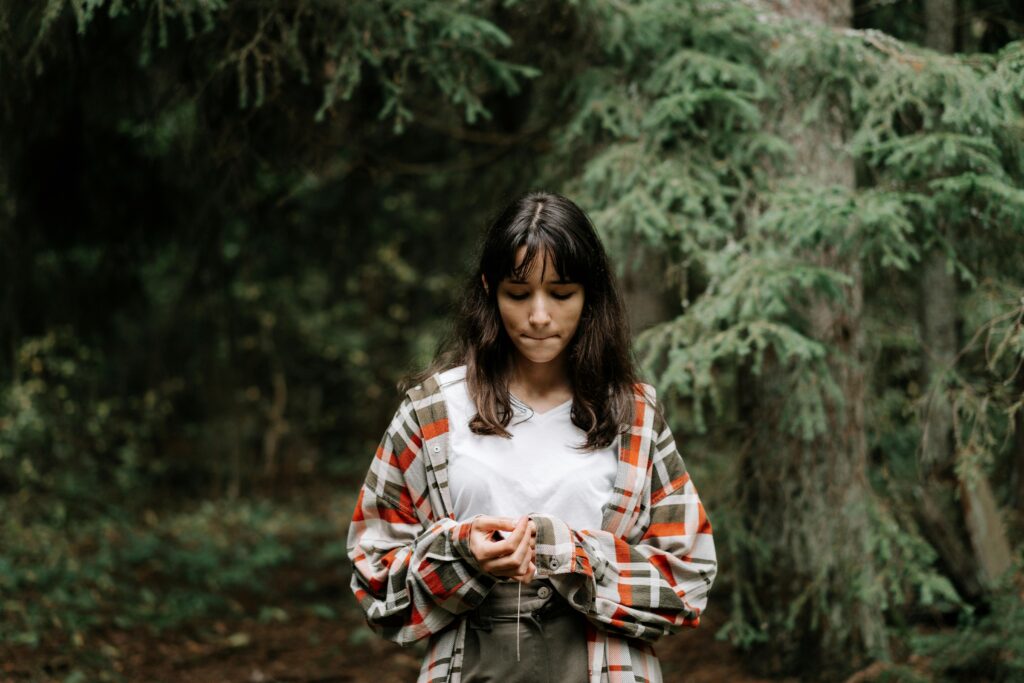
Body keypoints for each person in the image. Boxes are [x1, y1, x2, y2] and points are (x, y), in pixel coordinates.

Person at [346, 191, 717, 683]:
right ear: (489, 289)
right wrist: (462, 555)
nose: (539, 316)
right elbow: (373, 577)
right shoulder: (433, 411)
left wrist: (571, 554)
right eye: (518, 294)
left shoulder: (633, 414)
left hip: (605, 667)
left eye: (561, 293)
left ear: (590, 295)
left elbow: (687, 578)